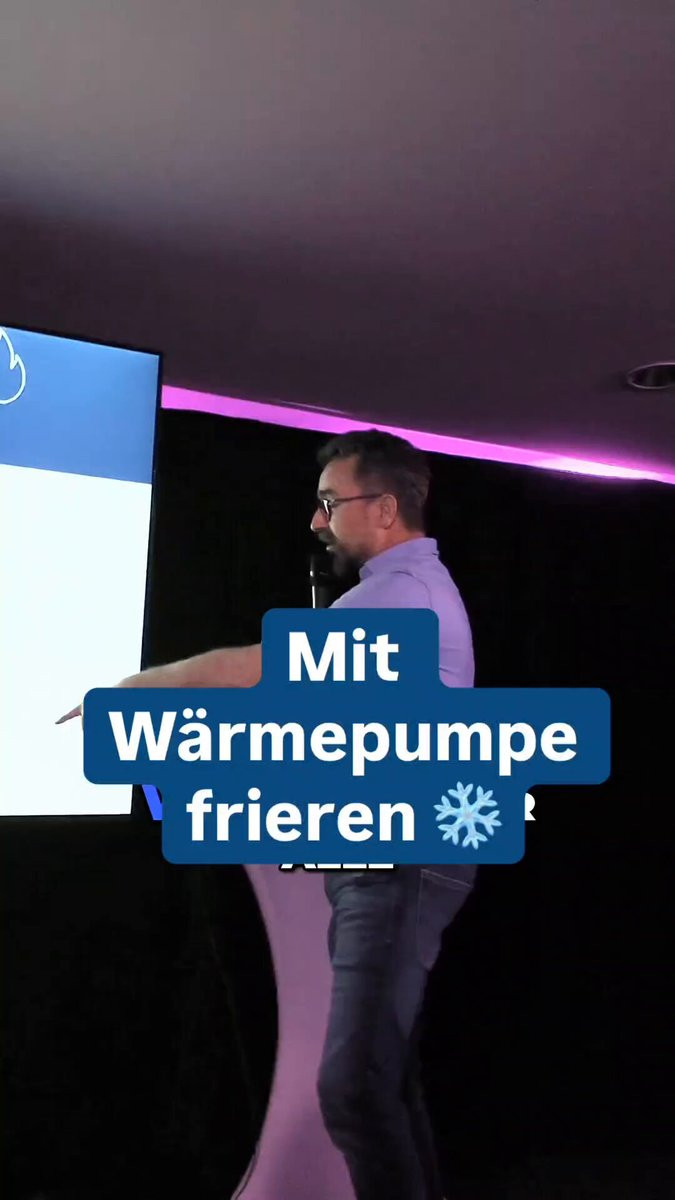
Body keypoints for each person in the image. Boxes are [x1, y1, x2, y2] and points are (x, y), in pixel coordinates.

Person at [57, 429, 477, 1200]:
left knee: (354, 1088)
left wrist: (133, 688)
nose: (317, 522)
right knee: (383, 1080)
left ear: (384, 508)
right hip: (384, 855)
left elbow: (253, 669)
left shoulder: (401, 598)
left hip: (399, 859)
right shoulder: (397, 593)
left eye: (329, 504)